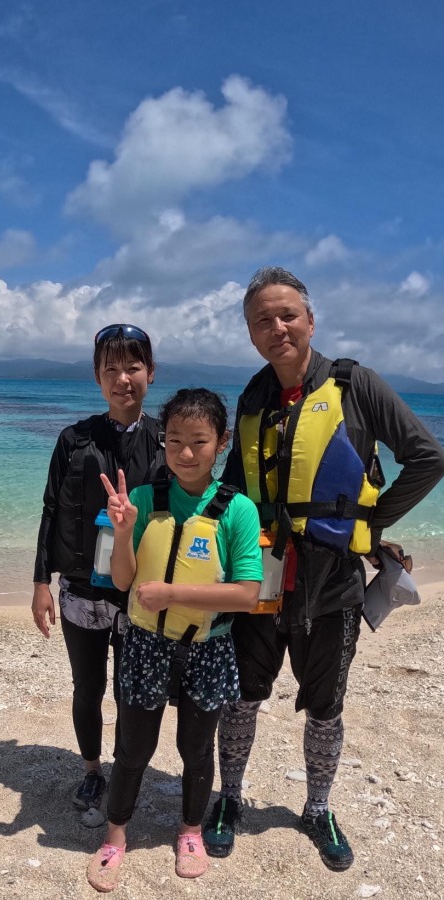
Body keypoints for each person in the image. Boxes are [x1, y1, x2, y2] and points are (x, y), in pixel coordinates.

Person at [202, 266, 444, 871]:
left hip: (331, 585)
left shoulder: (355, 385)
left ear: (310, 321)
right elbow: (235, 487)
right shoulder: (253, 396)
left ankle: (317, 807)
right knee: (243, 699)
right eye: (263, 319)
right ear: (251, 334)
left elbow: (427, 457)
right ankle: (229, 800)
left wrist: (371, 526)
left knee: (327, 706)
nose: (276, 327)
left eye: (287, 315)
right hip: (259, 577)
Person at [86, 389, 262, 891]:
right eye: (175, 441)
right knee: (133, 746)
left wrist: (172, 593)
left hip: (207, 647)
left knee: (196, 748)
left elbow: (248, 594)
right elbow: (122, 582)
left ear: (222, 444)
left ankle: (189, 831)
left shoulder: (237, 510)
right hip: (145, 642)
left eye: (199, 441)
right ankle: (116, 834)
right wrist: (123, 534)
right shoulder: (142, 499)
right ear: (163, 442)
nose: (185, 453)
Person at [32, 324, 164, 811]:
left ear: (150, 373)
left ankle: (126, 771)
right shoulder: (74, 439)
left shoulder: (166, 443)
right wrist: (41, 582)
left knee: (132, 692)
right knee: (87, 687)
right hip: (81, 591)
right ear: (96, 377)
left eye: (132, 367)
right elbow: (50, 510)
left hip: (138, 593)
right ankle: (91, 769)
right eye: (111, 368)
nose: (122, 378)